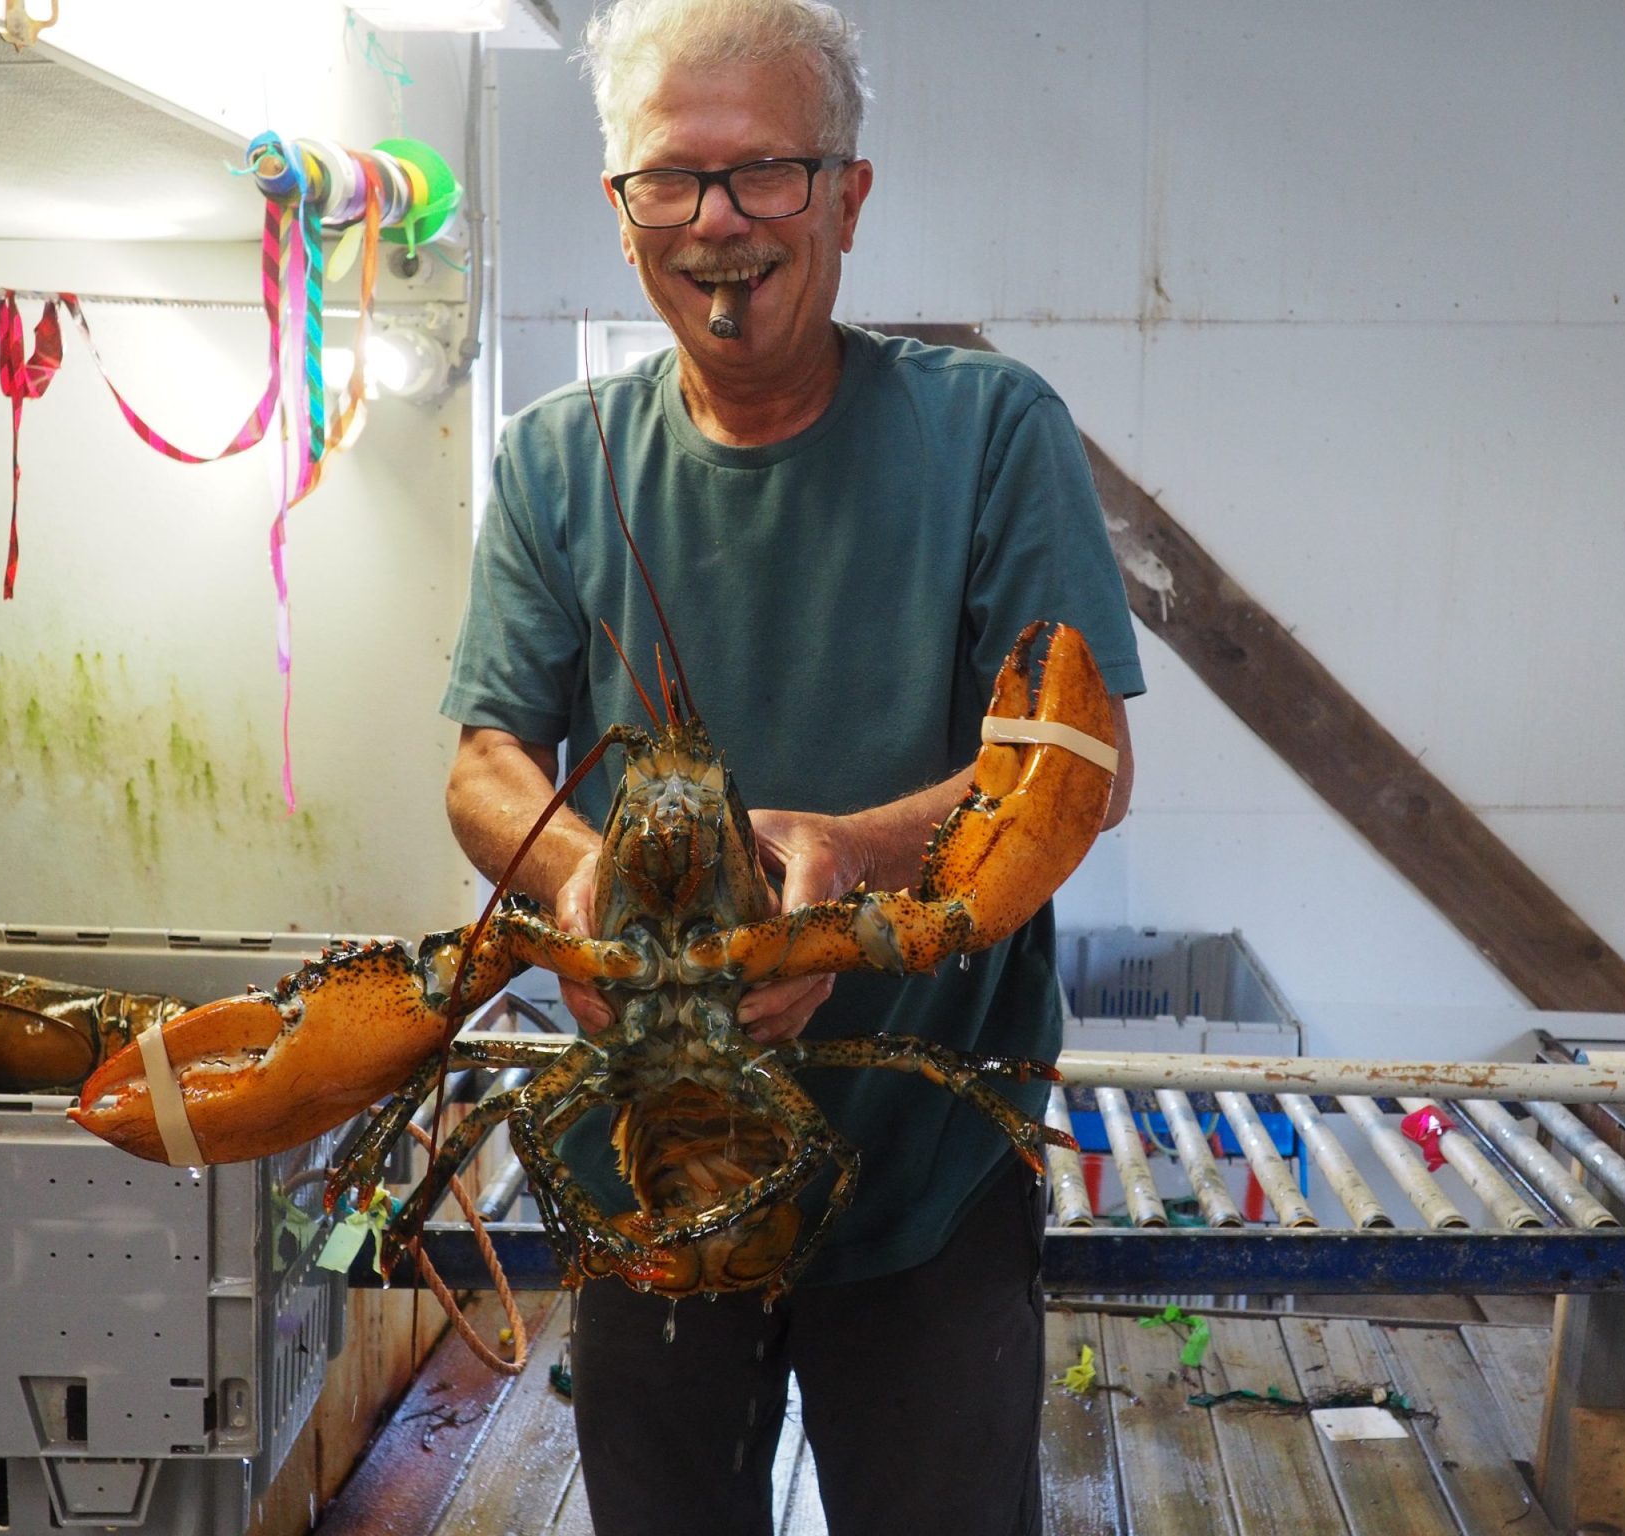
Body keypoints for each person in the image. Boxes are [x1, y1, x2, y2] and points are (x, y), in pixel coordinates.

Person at [439, 1, 1143, 1530]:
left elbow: (1074, 762)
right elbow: (487, 758)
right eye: (670, 181)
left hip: (926, 1169)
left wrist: (855, 861)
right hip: (649, 1167)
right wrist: (586, 882)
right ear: (619, 205)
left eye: (765, 173)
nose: (717, 225)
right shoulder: (557, 462)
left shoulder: (991, 432)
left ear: (848, 194)